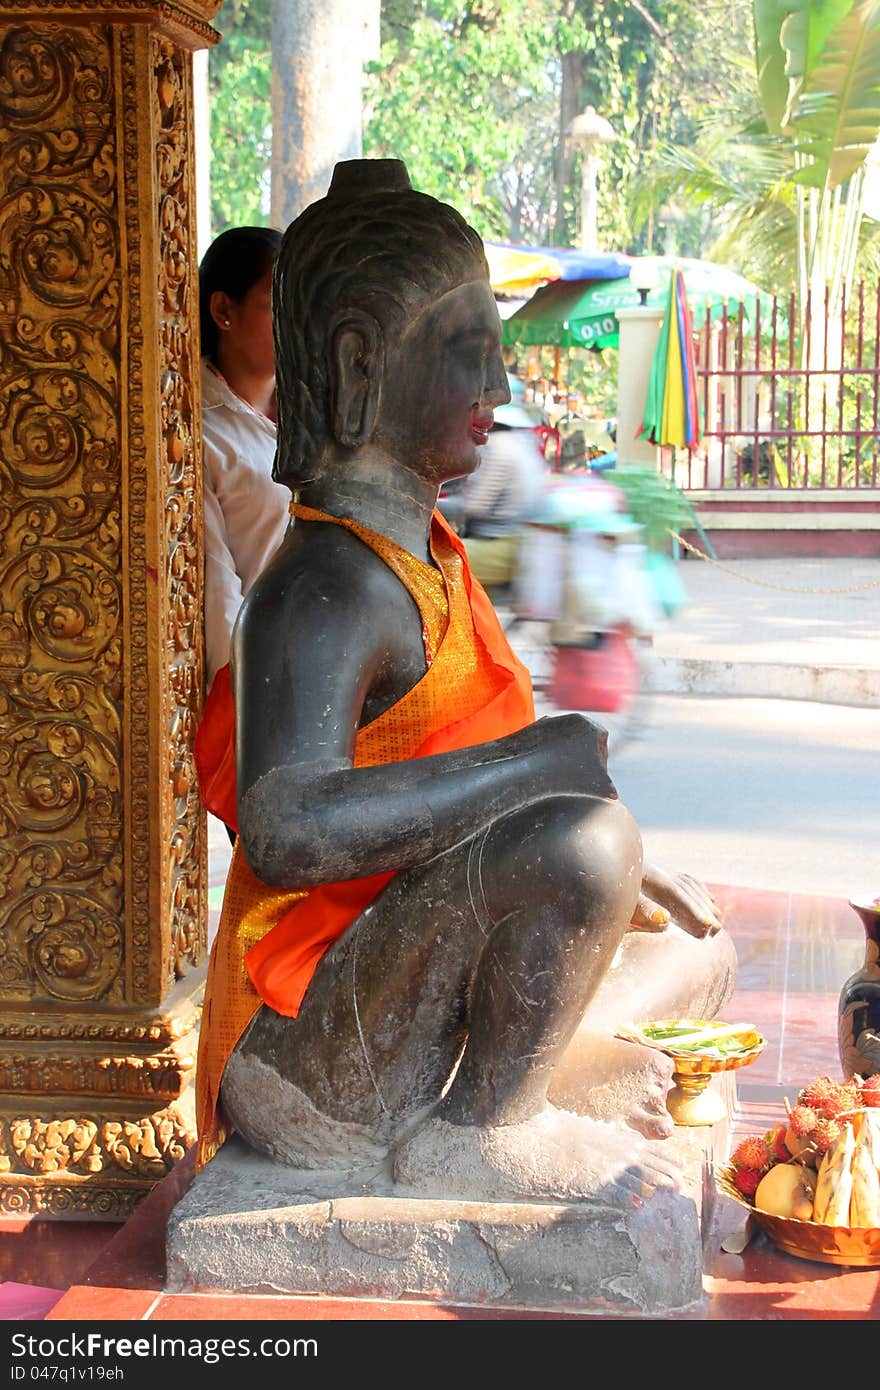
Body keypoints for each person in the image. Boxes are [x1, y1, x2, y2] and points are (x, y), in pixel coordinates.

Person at [194, 159, 727, 1205]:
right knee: (585, 846)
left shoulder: (427, 552)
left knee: (689, 934)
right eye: (471, 355)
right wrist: (538, 770)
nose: (499, 393)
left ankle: (533, 1076)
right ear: (359, 362)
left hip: (397, 969)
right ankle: (482, 1127)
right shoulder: (323, 581)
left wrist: (587, 847)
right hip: (301, 1032)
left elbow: (459, 800)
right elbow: (287, 826)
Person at [198, 226, 290, 691]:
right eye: (277, 302)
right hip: (266, 683)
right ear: (222, 311)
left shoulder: (313, 417)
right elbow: (220, 601)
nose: (296, 321)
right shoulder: (199, 434)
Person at [437, 402, 547, 593]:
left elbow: (475, 507)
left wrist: (432, 505)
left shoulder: (498, 446)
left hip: (500, 548)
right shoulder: (523, 442)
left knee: (428, 562)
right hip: (517, 544)